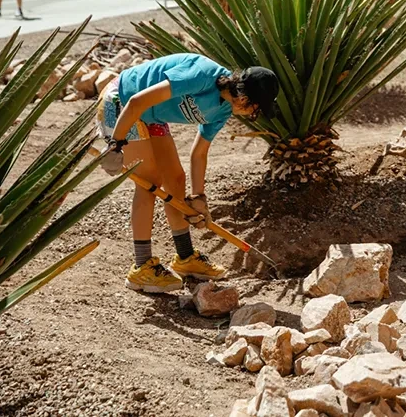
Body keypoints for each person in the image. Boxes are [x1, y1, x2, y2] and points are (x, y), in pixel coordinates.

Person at [97, 53, 280, 293]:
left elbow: (199, 153)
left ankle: (185, 257)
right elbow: (136, 102)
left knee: (175, 179)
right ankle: (141, 267)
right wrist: (115, 144)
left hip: (153, 116)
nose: (254, 116)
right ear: (244, 99)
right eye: (257, 109)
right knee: (149, 181)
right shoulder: (202, 74)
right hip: (121, 101)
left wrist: (199, 198)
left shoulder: (223, 110)